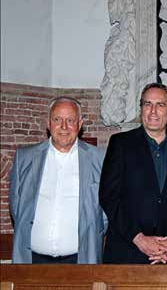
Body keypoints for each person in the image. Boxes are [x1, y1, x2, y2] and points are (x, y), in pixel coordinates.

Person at [99, 83, 167, 264]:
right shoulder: (120, 144)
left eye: (160, 105)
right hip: (126, 254)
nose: (153, 111)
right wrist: (139, 239)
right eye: (147, 104)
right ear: (141, 108)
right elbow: (109, 196)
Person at [9, 97, 107, 264]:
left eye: (70, 120)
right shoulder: (25, 157)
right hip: (31, 261)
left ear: (80, 124)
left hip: (81, 261)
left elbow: (106, 211)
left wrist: (94, 231)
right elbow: (16, 206)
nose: (64, 127)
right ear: (48, 123)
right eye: (57, 119)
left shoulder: (100, 159)